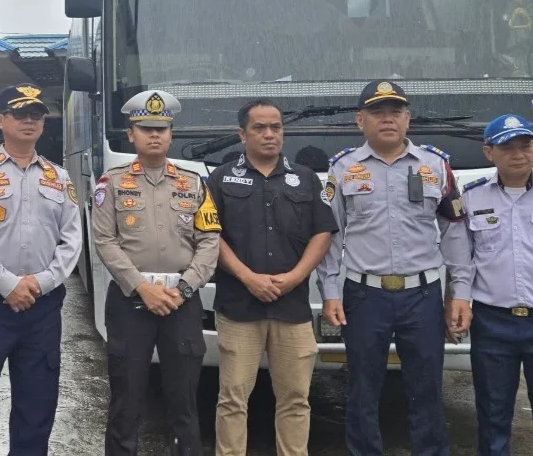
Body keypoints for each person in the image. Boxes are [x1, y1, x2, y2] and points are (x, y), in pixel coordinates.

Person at [316, 80, 473, 456]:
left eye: (396, 111)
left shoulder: (436, 165)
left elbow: (453, 233)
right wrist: (330, 293)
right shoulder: (343, 168)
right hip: (363, 295)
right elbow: (330, 236)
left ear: (408, 118)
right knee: (363, 389)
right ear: (360, 120)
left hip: (422, 295)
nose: (388, 119)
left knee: (426, 388)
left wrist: (460, 292)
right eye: (377, 112)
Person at [0, 84, 82, 455]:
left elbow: (71, 241)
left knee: (37, 407)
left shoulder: (60, 177)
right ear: (0, 120)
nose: (28, 121)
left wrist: (40, 283)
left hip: (42, 308)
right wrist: (7, 283)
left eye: (36, 115)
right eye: (20, 113)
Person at [90, 89, 221, 456]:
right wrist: (141, 287)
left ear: (171, 134)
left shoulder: (192, 183)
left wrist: (185, 288)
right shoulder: (111, 183)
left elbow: (209, 240)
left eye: (161, 129)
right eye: (145, 128)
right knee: (127, 399)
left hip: (182, 301)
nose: (154, 135)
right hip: (131, 301)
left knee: (184, 402)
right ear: (130, 134)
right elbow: (104, 241)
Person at [206, 99, 338, 456]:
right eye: (259, 128)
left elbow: (323, 232)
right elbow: (209, 235)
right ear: (242, 134)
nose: (269, 135)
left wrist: (297, 277)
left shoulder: (306, 177)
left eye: (276, 127)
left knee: (296, 399)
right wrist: (248, 277)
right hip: (238, 307)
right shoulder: (220, 178)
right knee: (233, 398)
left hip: (291, 308)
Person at [457, 113, 533, 456]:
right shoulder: (472, 198)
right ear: (489, 153)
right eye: (508, 148)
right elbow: (462, 259)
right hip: (493, 322)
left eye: (526, 146)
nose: (519, 154)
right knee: (493, 413)